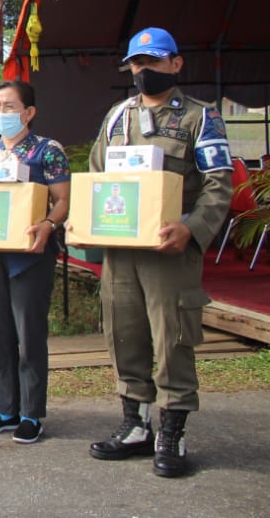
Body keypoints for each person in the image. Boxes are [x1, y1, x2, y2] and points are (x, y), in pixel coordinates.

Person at [87, 27, 232, 478]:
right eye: (137, 63)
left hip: (171, 251)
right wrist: (86, 222)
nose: (143, 71)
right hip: (121, 250)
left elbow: (218, 186)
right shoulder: (117, 117)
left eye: (152, 62)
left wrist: (191, 228)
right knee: (124, 335)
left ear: (175, 64)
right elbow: (97, 174)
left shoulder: (199, 119)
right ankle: (135, 427)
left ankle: (173, 433)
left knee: (172, 340)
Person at [0, 80, 70, 445]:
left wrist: (48, 223)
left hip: (29, 258)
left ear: (29, 112)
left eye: (10, 106)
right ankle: (6, 408)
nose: (2, 112)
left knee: (29, 336)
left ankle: (31, 413)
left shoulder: (47, 151)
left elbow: (62, 201)